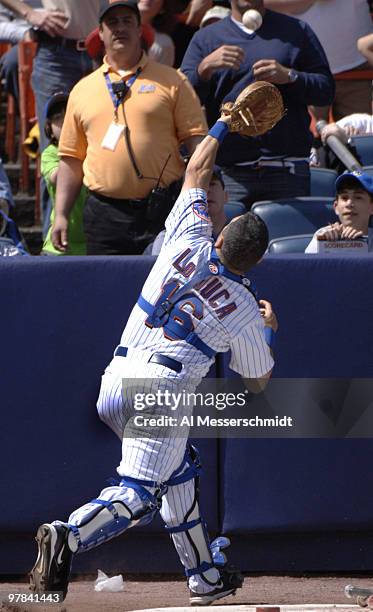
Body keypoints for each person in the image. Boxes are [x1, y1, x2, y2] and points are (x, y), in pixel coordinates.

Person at [29, 96, 277, 607]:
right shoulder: (246, 304)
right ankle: (67, 535)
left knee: (179, 467)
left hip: (115, 379)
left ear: (223, 231)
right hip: (160, 393)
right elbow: (257, 384)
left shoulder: (189, 234)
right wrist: (269, 329)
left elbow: (199, 169)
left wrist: (225, 123)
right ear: (255, 262)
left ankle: (204, 575)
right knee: (139, 495)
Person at [51, 0, 207, 256]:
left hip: (163, 209)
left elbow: (198, 145)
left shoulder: (172, 80)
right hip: (104, 215)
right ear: (100, 33)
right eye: (112, 22)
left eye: (127, 21)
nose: (120, 28)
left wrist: (196, 199)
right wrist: (60, 216)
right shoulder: (82, 89)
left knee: (165, 294)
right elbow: (71, 159)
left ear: (139, 29)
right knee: (107, 292)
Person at [180, 0, 335, 209]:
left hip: (286, 168)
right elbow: (182, 101)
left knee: (287, 240)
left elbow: (326, 91)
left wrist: (289, 76)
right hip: (229, 173)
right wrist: (204, 68)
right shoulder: (206, 38)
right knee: (228, 242)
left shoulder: (296, 30)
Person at [0, 0, 100, 150]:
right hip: (56, 55)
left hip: (94, 52)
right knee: (56, 145)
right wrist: (30, 14)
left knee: (96, 139)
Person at [264, 0, 373, 121]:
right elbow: (259, 3)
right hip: (302, 74)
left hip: (358, 71)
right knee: (306, 137)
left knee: (360, 136)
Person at [41, 92, 87, 255]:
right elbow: (56, 178)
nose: (65, 122)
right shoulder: (50, 153)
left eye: (69, 115)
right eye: (58, 118)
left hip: (92, 244)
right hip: (58, 245)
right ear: (50, 129)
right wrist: (74, 154)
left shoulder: (93, 149)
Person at [305, 170, 373, 253]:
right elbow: (310, 265)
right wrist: (324, 246)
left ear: (371, 207)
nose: (349, 204)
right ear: (336, 207)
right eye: (344, 197)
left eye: (358, 197)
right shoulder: (322, 236)